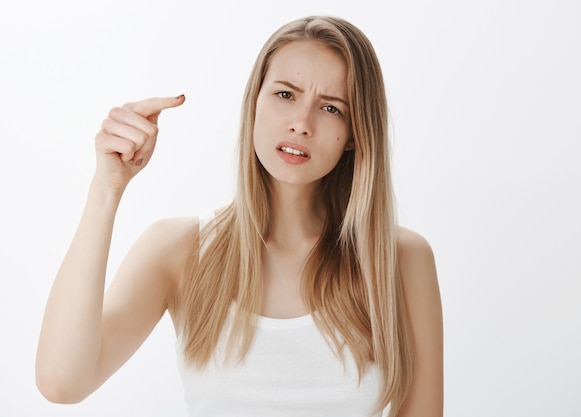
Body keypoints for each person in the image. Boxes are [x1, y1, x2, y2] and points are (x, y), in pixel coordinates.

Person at [35, 15, 443, 417]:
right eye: (285, 94)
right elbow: (61, 382)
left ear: (356, 132)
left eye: (331, 108)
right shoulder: (178, 249)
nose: (301, 123)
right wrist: (107, 189)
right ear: (255, 103)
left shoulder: (401, 259)